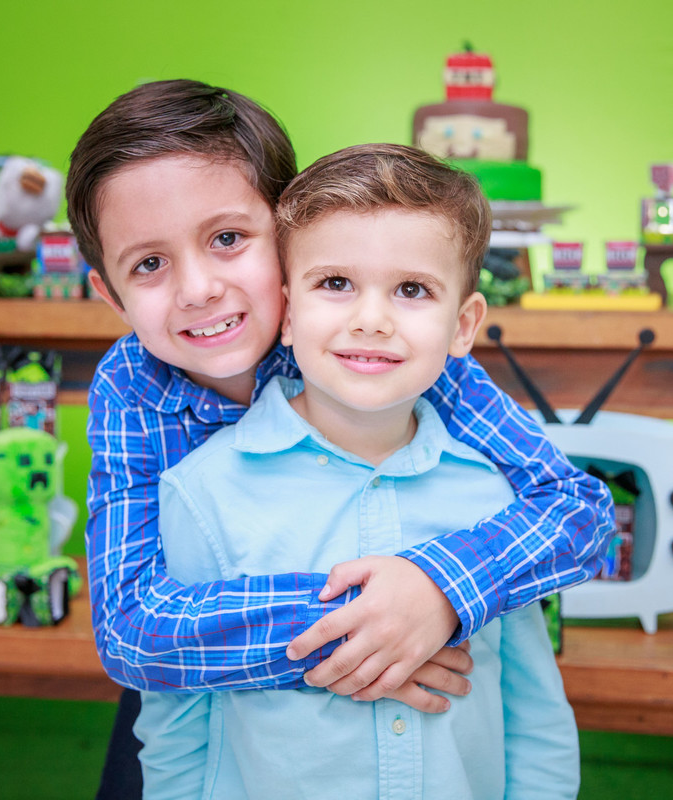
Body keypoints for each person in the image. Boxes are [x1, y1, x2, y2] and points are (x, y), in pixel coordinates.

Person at [65, 79, 611, 797]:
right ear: (110, 294)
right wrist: (369, 630)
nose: (198, 289)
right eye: (148, 264)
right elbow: (133, 630)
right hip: (202, 686)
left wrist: (439, 590)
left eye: (227, 239)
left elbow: (575, 508)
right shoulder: (131, 388)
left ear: (288, 234)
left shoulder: (374, 349)